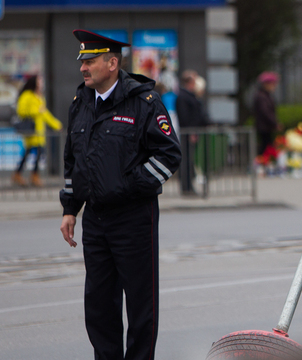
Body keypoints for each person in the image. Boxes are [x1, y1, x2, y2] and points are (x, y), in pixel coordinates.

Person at [59, 30, 181, 360]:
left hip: (134, 218)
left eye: (91, 61)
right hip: (96, 220)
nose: (83, 68)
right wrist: (70, 208)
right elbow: (73, 159)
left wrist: (129, 186)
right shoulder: (80, 102)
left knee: (141, 307)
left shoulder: (143, 102)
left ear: (112, 63)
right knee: (99, 305)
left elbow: (169, 155)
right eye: (82, 61)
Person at [12, 75, 63, 187]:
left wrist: (56, 125)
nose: (41, 84)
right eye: (39, 81)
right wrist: (37, 110)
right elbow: (21, 110)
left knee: (35, 153)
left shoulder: (40, 96)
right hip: (31, 130)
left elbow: (45, 114)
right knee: (35, 153)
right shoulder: (27, 95)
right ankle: (27, 175)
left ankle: (27, 175)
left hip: (40, 131)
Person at [175, 69, 208, 195]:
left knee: (190, 160)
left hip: (192, 132)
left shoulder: (190, 95)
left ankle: (189, 186)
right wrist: (191, 132)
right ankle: (187, 188)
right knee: (187, 161)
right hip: (188, 133)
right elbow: (185, 118)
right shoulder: (183, 97)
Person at [253, 71, 282, 156]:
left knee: (266, 146)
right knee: (266, 147)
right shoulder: (262, 96)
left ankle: (263, 163)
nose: (274, 87)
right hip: (264, 127)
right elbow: (265, 112)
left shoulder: (265, 95)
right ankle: (261, 164)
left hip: (266, 127)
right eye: (273, 84)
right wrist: (275, 123)